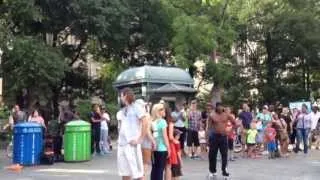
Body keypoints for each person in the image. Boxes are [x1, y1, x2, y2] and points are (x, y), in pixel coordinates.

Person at [117, 88, 146, 180]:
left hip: (132, 145)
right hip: (122, 144)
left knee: (138, 173)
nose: (120, 98)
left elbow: (145, 121)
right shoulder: (123, 110)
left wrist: (140, 138)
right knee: (124, 172)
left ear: (125, 95)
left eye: (121, 95)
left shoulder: (136, 107)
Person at [208, 102, 237, 178]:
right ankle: (212, 171)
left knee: (224, 154)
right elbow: (208, 127)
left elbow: (235, 123)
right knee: (212, 155)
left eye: (222, 107)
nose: (221, 108)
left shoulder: (227, 115)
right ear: (216, 107)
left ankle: (224, 170)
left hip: (223, 137)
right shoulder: (212, 115)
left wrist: (230, 131)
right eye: (219, 107)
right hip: (214, 137)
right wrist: (207, 137)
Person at [136, 99, 155, 179]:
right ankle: (142, 178)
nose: (146, 107)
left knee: (138, 163)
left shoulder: (134, 115)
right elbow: (147, 130)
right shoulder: (146, 116)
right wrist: (153, 141)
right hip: (146, 141)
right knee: (145, 163)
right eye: (144, 106)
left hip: (137, 142)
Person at [151, 103, 170, 180]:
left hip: (154, 148)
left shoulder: (153, 121)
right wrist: (169, 148)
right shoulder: (163, 122)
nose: (164, 110)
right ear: (158, 111)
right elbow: (165, 137)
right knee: (160, 170)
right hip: (162, 148)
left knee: (154, 169)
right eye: (162, 109)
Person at [164, 105, 175, 180]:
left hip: (162, 144)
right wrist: (176, 141)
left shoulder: (160, 121)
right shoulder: (170, 123)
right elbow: (171, 137)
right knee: (168, 167)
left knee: (163, 167)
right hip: (169, 145)